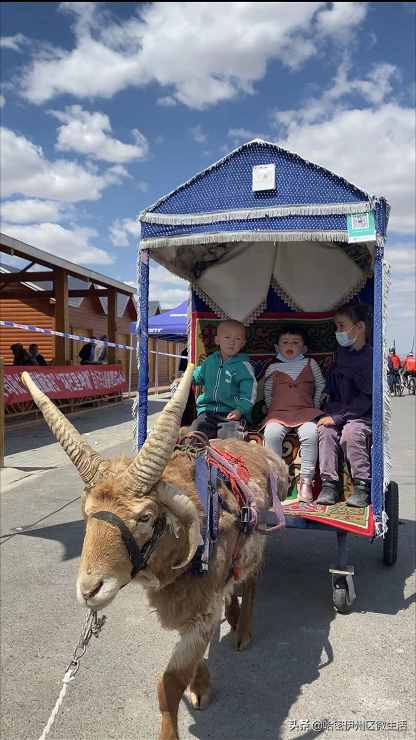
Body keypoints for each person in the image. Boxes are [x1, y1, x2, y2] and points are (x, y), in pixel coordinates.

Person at [316, 304, 373, 508]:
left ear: (359, 327)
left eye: (341, 326)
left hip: (360, 414)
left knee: (351, 433)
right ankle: (329, 485)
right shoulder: (341, 353)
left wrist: (339, 418)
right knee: (325, 430)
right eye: (336, 327)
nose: (338, 332)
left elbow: (366, 399)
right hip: (338, 410)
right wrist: (325, 395)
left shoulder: (370, 358)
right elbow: (333, 383)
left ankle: (361, 486)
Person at [263, 326, 325, 503]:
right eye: (285, 342)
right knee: (271, 433)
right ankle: (274, 482)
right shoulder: (272, 367)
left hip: (305, 411)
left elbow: (320, 385)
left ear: (304, 348)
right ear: (277, 348)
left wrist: (315, 406)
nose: (290, 345)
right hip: (278, 413)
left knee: (311, 433)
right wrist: (271, 408)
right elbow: (268, 392)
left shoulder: (310, 363)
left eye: (295, 343)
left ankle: (306, 482)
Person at [188, 319, 257, 439]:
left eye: (237, 339)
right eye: (227, 338)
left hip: (232, 414)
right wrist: (185, 379)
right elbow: (197, 376)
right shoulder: (209, 361)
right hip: (207, 412)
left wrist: (240, 410)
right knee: (195, 433)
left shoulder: (244, 366)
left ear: (243, 343)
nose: (232, 342)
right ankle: (199, 457)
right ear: (217, 340)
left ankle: (228, 457)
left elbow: (250, 393)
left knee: (232, 438)